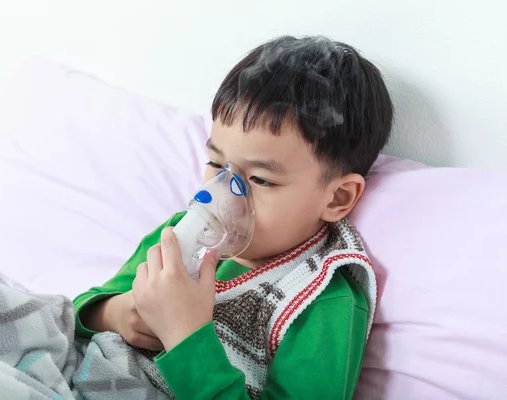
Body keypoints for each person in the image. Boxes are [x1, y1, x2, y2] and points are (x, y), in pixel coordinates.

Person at [74, 35, 394, 399]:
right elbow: (78, 314)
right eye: (216, 164)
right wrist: (116, 314)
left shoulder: (322, 303)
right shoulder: (178, 235)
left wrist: (185, 338)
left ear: (337, 197)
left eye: (260, 179)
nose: (223, 194)